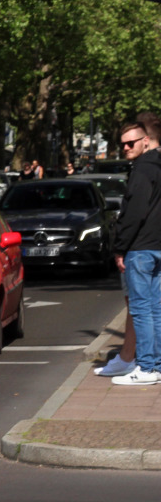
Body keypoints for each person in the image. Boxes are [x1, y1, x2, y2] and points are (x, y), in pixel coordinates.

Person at [108, 118, 161, 385]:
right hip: (158, 245)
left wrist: (119, 247)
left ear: (146, 141)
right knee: (156, 308)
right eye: (123, 144)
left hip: (141, 248)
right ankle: (157, 366)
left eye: (131, 143)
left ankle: (147, 368)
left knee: (141, 309)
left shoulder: (141, 171)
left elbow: (134, 213)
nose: (126, 148)